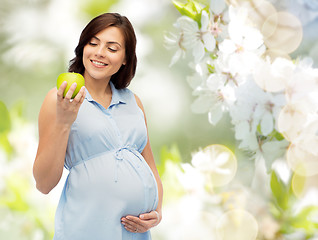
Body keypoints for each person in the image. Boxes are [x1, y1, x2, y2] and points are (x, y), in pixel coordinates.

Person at [33, 12, 163, 240]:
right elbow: (43, 184)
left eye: (112, 48)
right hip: (86, 229)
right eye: (93, 43)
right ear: (83, 47)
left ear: (125, 58)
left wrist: (157, 212)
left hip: (134, 234)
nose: (100, 53)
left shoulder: (133, 102)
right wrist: (64, 122)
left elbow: (150, 166)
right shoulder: (60, 99)